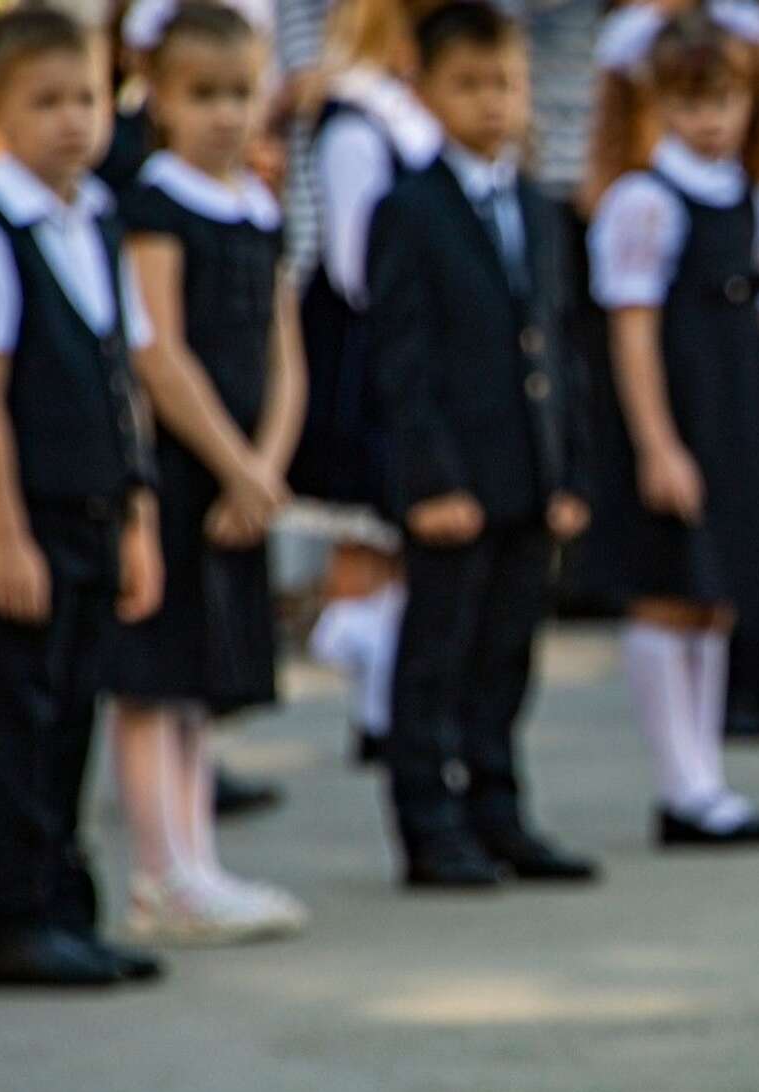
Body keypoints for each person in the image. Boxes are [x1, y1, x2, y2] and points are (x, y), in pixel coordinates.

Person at [0, 7, 166, 988]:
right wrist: (5, 534)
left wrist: (138, 514)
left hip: (93, 513)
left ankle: (69, 906)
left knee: (73, 712)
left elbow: (123, 375)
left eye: (86, 99)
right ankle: (16, 917)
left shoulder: (101, 223)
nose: (72, 122)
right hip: (25, 517)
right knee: (19, 718)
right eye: (45, 103)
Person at [363, 1, 596, 887]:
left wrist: (567, 470)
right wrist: (429, 479)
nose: (491, 102)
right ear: (423, 91)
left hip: (527, 474)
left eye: (504, 83)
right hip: (453, 480)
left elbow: (561, 345)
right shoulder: (409, 209)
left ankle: (498, 808)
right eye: (468, 84)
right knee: (438, 653)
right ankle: (429, 821)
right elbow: (401, 359)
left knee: (507, 650)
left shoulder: (539, 208)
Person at [587, 3, 759, 847]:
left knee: (715, 599)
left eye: (726, 102)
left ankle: (709, 776)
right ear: (657, 105)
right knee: (668, 593)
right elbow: (633, 328)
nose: (711, 122)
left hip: (739, 410)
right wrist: (657, 443)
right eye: (691, 105)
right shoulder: (645, 200)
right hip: (682, 410)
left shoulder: (758, 199)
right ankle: (679, 785)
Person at [106, 2, 307, 942]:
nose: (226, 114)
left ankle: (197, 860)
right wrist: (233, 464)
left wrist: (266, 468)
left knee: (199, 678)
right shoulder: (154, 204)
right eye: (203, 95)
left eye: (241, 93)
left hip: (239, 479)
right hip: (178, 473)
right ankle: (161, 868)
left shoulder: (259, 206)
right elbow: (159, 352)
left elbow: (283, 352)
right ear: (162, 99)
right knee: (156, 678)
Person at [292, 0, 441, 763]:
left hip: (408, 332)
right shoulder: (356, 118)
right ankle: (375, 704)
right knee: (374, 531)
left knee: (403, 539)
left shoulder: (406, 114)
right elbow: (357, 260)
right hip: (370, 339)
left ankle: (391, 706)